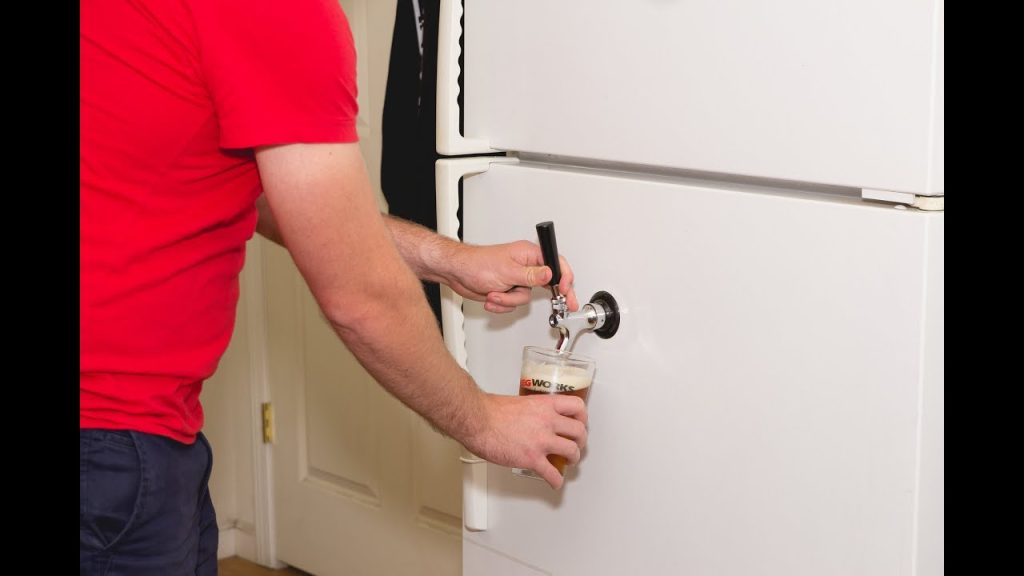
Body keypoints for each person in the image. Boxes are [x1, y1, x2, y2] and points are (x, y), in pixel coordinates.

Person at [80, 1, 588, 574]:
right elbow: (360, 299)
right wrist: (484, 421)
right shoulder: (278, 14)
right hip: (108, 442)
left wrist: (447, 260)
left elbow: (266, 190)